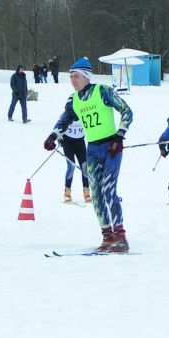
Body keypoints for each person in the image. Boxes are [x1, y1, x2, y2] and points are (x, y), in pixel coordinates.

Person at [43, 57, 133, 253]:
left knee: (108, 190)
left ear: (86, 77)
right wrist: (52, 136)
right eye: (71, 77)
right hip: (92, 150)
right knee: (96, 195)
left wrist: (120, 136)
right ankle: (108, 237)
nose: (73, 80)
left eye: (76, 76)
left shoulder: (102, 91)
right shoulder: (74, 100)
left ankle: (120, 237)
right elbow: (64, 121)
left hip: (111, 148)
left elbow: (126, 111)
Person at [61, 119, 91, 204]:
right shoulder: (66, 114)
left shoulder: (82, 112)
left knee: (85, 167)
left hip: (80, 143)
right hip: (67, 143)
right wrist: (59, 138)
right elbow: (58, 127)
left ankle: (86, 192)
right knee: (71, 166)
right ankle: (67, 192)